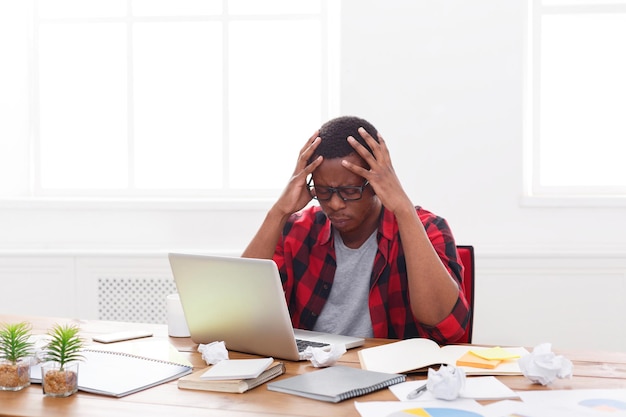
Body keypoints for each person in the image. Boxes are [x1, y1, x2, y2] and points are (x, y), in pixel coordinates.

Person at [242, 116, 469, 343]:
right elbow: (240, 313)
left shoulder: (428, 228)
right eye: (323, 191)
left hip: (392, 373)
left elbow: (448, 328)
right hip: (311, 371)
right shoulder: (296, 230)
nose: (335, 204)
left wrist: (404, 209)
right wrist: (279, 211)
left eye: (350, 191)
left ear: (377, 183)